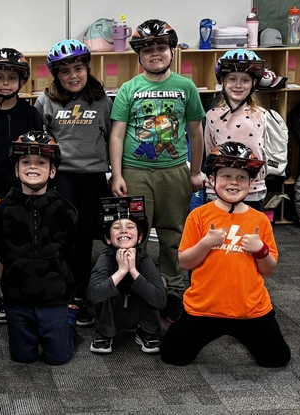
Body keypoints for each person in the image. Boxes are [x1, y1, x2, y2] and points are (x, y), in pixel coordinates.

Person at [109, 19, 206, 323]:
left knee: (173, 233)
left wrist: (195, 172)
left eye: (161, 48)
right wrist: (117, 173)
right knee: (131, 233)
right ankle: (136, 285)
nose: (155, 54)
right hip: (135, 170)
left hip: (174, 170)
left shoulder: (185, 87)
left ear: (172, 51)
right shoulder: (130, 89)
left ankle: (174, 290)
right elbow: (117, 134)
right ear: (138, 55)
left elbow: (196, 134)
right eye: (148, 49)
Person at [160, 143, 290, 368]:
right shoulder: (198, 216)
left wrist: (260, 249)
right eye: (226, 176)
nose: (233, 182)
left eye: (241, 177)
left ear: (251, 183)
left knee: (277, 359)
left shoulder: (259, 220)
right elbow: (184, 262)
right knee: (172, 356)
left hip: (250, 309)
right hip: (204, 307)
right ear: (212, 179)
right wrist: (206, 243)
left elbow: (268, 268)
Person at [35, 39, 113, 328]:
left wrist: (114, 175)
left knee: (84, 235)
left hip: (93, 176)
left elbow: (110, 137)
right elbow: (40, 142)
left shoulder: (102, 101)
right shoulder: (46, 101)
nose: (73, 76)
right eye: (65, 71)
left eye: (78, 68)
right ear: (56, 75)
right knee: (62, 233)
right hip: (62, 175)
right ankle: (61, 288)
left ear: (87, 68)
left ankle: (80, 293)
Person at [0, 131, 78, 365]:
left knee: (58, 358)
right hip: (17, 297)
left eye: (41, 162)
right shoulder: (3, 211)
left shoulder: (66, 210)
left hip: (54, 296)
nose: (33, 167)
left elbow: (69, 251)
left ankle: (68, 321)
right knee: (22, 358)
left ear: (52, 171)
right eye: (25, 162)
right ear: (16, 169)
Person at [0, 47, 43, 325]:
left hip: (28, 192)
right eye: (0, 77)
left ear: (21, 81)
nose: (5, 83)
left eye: (11, 78)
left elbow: (42, 153)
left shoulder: (31, 115)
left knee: (26, 241)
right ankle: (1, 293)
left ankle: (24, 288)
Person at [86, 196, 166, 355]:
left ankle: (147, 330)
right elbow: (93, 296)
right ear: (108, 238)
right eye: (116, 227)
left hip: (137, 311)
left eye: (130, 226)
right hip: (112, 312)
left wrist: (134, 272)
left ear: (140, 237)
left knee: (158, 284)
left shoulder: (144, 259)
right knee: (103, 286)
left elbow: (161, 301)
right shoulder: (106, 258)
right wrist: (121, 271)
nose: (124, 230)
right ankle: (105, 332)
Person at [205, 49, 268, 209]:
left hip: (252, 189)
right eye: (232, 79)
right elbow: (209, 152)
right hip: (219, 190)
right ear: (223, 81)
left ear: (254, 83)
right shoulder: (212, 116)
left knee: (249, 232)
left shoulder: (261, 115)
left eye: (245, 80)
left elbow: (263, 151)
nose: (238, 85)